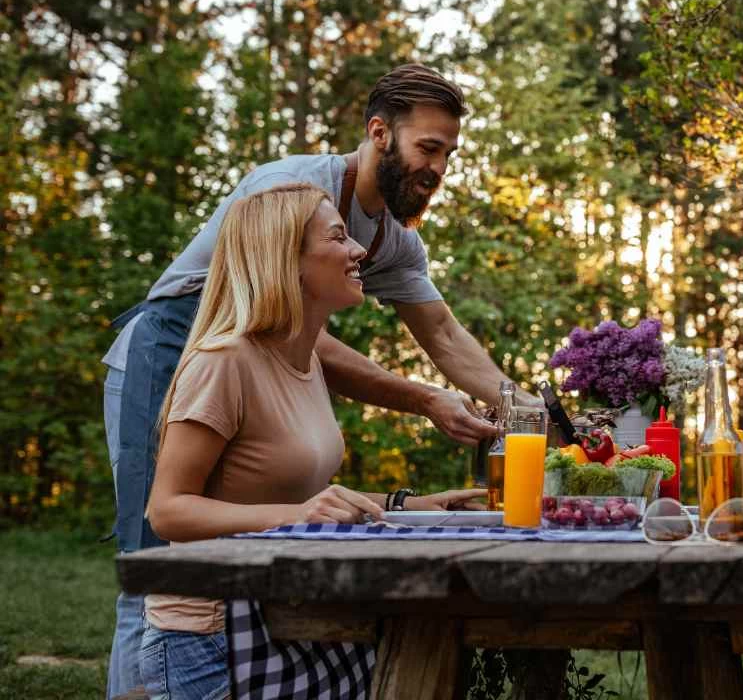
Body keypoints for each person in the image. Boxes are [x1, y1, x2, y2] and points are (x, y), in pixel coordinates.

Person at [102, 64, 533, 698]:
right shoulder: (293, 192)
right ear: (379, 133)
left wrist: (526, 409)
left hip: (262, 351)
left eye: (449, 154)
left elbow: (442, 334)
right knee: (155, 566)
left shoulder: (391, 241)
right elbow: (264, 310)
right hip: (173, 338)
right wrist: (421, 398)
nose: (439, 168)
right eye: (429, 148)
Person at [139, 183, 485, 700]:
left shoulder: (303, 361)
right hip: (210, 636)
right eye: (339, 238)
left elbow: (295, 497)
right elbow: (167, 513)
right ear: (288, 260)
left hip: (284, 611)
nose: (359, 252)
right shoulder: (223, 361)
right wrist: (299, 515)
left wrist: (404, 506)